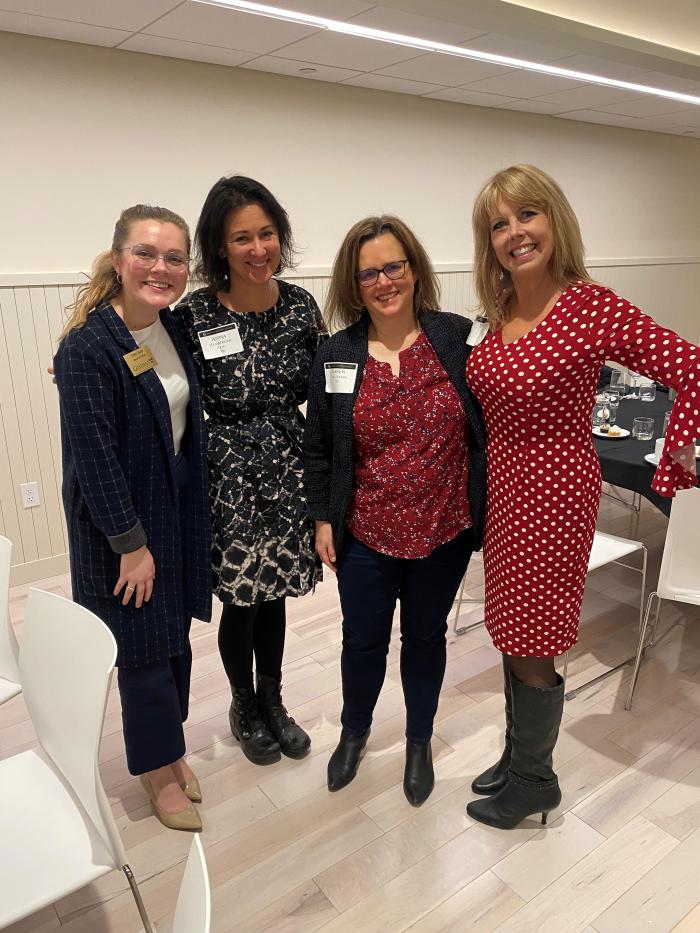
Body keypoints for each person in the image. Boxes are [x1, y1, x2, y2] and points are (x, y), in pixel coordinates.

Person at [465, 164, 700, 829]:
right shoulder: (503, 306)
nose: (515, 233)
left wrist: (676, 459)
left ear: (554, 219)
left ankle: (535, 781)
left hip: (554, 496)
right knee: (510, 629)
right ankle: (518, 756)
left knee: (535, 637)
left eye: (527, 214)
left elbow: (692, 365)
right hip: (506, 494)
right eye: (499, 224)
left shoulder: (590, 306)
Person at [304, 215, 487, 806]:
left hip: (444, 528)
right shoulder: (338, 353)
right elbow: (320, 447)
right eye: (368, 274)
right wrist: (323, 516)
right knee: (362, 642)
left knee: (426, 638)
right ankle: (354, 733)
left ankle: (417, 740)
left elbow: (488, 427)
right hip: (366, 532)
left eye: (393, 266)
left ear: (414, 268)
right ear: (352, 285)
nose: (383, 281)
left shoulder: (458, 339)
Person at [54, 205, 212, 832]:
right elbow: (93, 461)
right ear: (118, 259)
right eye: (146, 253)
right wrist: (130, 544)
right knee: (143, 655)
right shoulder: (89, 348)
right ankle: (154, 771)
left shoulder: (170, 328)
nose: (161, 268)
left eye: (175, 258)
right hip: (122, 528)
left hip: (173, 510)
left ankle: (170, 752)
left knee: (173, 642)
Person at [171, 176, 326, 765]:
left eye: (266, 234)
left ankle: (274, 699)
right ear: (220, 247)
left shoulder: (299, 306)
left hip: (288, 467)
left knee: (277, 592)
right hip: (229, 474)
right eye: (243, 238)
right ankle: (244, 704)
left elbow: (331, 380)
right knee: (242, 596)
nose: (258, 248)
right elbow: (154, 366)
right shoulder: (197, 313)